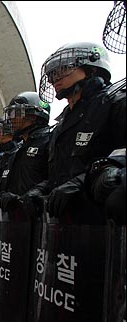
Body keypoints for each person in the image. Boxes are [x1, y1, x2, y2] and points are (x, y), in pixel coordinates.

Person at [27, 41, 126, 220]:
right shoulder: (61, 124)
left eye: (63, 69)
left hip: (101, 224)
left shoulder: (116, 102)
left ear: (92, 68)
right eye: (52, 74)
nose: (54, 78)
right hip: (62, 224)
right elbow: (60, 175)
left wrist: (82, 182)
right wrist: (41, 189)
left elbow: (117, 164)